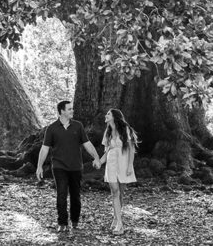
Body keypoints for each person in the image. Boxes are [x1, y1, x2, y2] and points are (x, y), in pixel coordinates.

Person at [36, 100, 102, 233]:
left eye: (72, 109)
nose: (72, 111)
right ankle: (62, 223)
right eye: (69, 109)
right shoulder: (52, 128)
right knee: (61, 194)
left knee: (75, 196)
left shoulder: (78, 126)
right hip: (59, 166)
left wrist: (96, 157)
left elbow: (87, 144)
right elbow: (44, 148)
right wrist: (39, 166)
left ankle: (75, 221)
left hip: (76, 167)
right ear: (62, 111)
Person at [97, 108, 138, 236]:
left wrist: (130, 166)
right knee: (115, 192)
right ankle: (120, 224)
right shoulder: (107, 132)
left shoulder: (125, 129)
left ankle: (116, 218)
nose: (106, 115)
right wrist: (99, 162)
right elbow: (107, 151)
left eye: (108, 114)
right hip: (111, 164)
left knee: (120, 193)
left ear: (114, 117)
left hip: (123, 163)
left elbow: (131, 149)